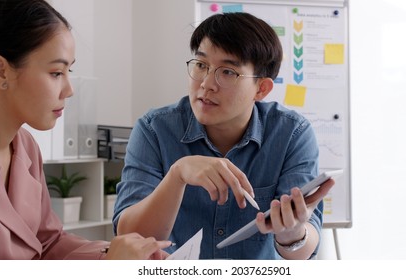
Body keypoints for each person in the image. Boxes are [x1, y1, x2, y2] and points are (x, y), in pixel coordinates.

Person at [113, 12, 334, 260]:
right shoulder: (154, 130)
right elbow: (130, 238)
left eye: (228, 72)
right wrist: (177, 176)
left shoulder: (292, 133)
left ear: (261, 88)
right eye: (201, 65)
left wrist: (292, 233)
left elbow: (304, 248)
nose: (207, 83)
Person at [0, 0, 171, 260]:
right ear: (0, 71)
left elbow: (48, 243)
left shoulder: (25, 147)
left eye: (68, 71)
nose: (69, 90)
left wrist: (114, 256)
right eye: (56, 73)